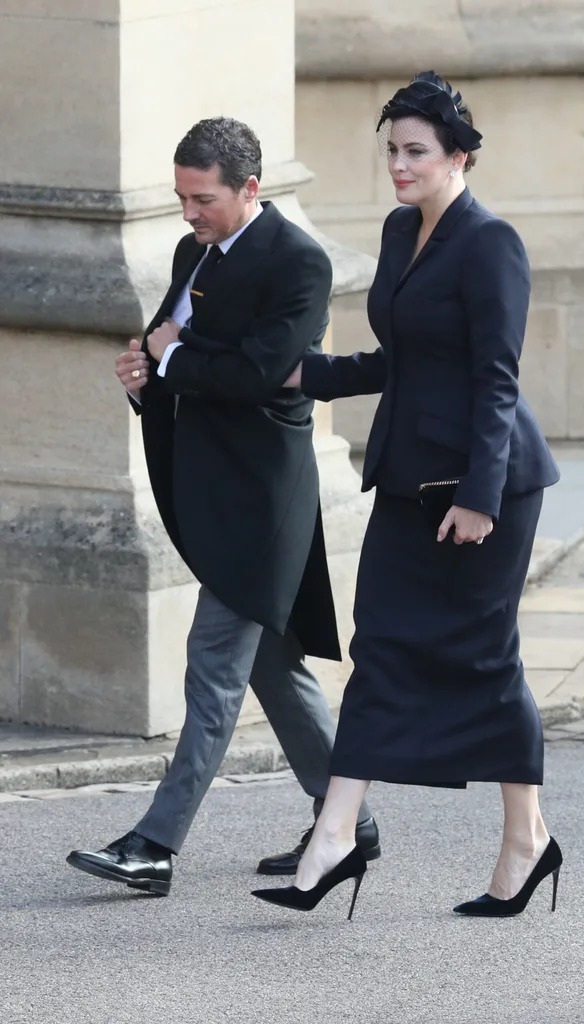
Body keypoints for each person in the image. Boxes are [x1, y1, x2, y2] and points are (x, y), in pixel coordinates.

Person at [252, 73, 563, 920]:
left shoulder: (489, 242)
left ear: (458, 156)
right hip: (406, 481)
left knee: (484, 658)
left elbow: (496, 379)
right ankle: (336, 835)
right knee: (381, 645)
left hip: (483, 489)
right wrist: (311, 373)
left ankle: (526, 841)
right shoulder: (399, 232)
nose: (398, 165)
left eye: (416, 151)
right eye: (391, 149)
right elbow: (407, 360)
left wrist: (481, 494)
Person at [66, 116, 380, 897]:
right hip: (214, 488)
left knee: (213, 670)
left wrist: (172, 352)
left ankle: (154, 844)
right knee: (274, 667)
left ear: (250, 187)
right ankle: (351, 822)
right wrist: (147, 371)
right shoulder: (191, 251)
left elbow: (262, 372)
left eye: (201, 198)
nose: (188, 213)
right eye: (180, 197)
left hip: (261, 500)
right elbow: (179, 350)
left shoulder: (298, 262)